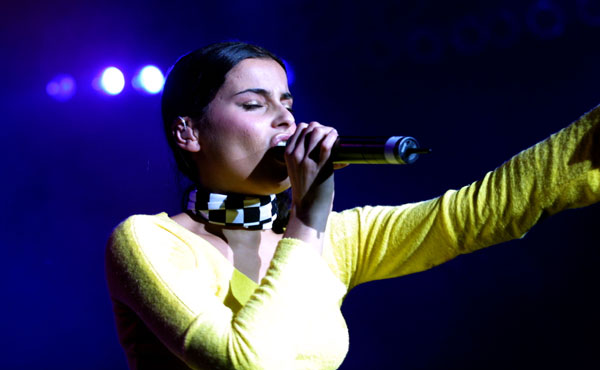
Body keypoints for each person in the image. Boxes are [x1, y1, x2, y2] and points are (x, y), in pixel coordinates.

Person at [105, 41, 600, 370]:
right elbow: (246, 361)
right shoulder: (151, 242)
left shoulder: (335, 238)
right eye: (255, 105)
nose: (285, 121)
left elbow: (482, 211)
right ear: (188, 132)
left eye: (288, 104)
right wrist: (307, 217)